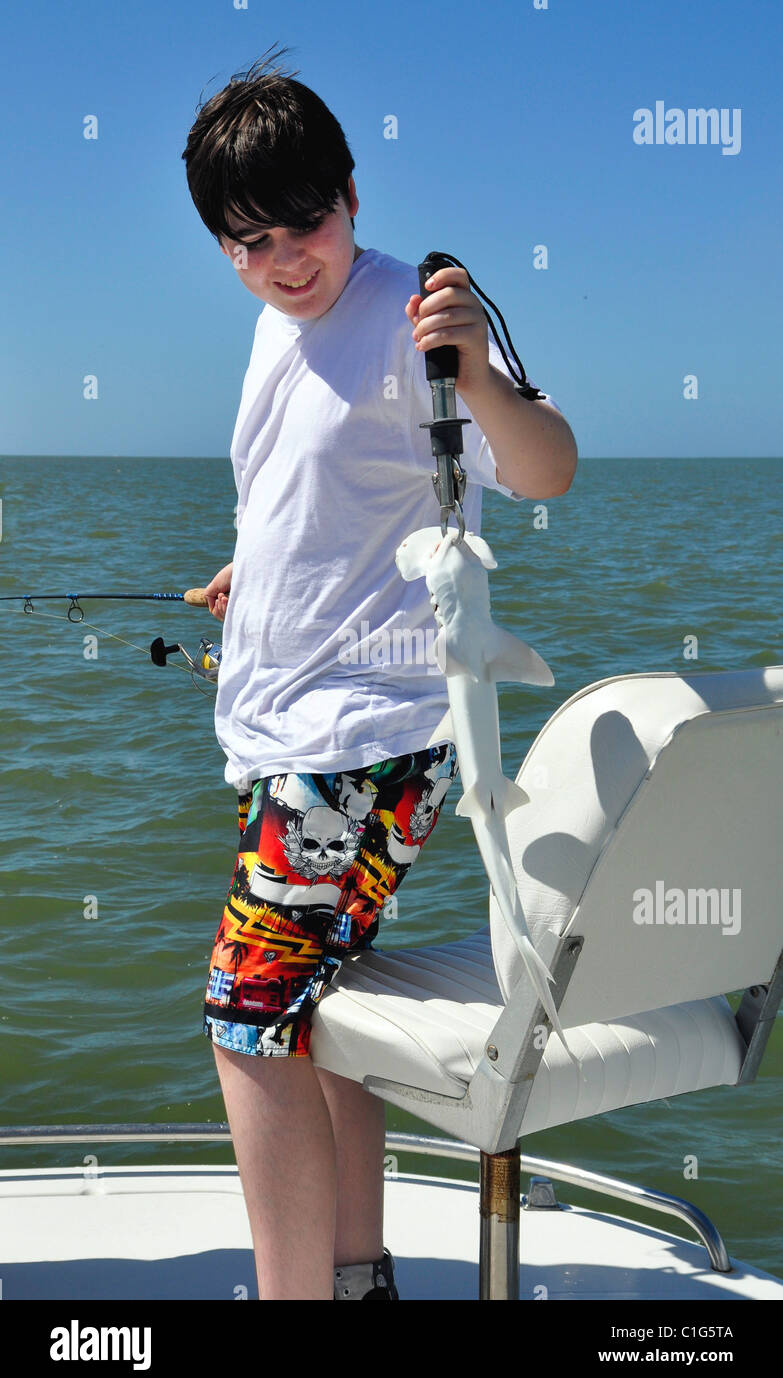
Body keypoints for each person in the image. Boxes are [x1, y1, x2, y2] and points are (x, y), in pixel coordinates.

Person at [181, 45, 577, 1302]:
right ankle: (356, 1286)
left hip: (357, 746)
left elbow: (551, 465)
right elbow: (306, 503)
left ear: (352, 194)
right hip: (285, 736)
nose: (285, 258)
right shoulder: (269, 334)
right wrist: (250, 584)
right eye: (248, 241)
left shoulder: (419, 314)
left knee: (247, 1024)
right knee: (317, 1028)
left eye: (305, 222)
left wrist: (473, 361)